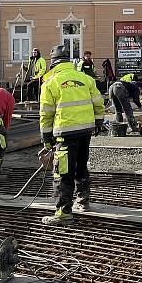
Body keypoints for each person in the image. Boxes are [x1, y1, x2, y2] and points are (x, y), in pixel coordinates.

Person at [39, 45, 105, 224]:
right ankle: (83, 201)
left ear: (53, 64)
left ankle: (63, 213)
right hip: (86, 131)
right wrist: (98, 122)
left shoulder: (50, 83)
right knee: (81, 165)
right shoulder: (84, 78)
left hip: (65, 133)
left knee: (63, 172)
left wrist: (46, 139)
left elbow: (46, 113)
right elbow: (98, 102)